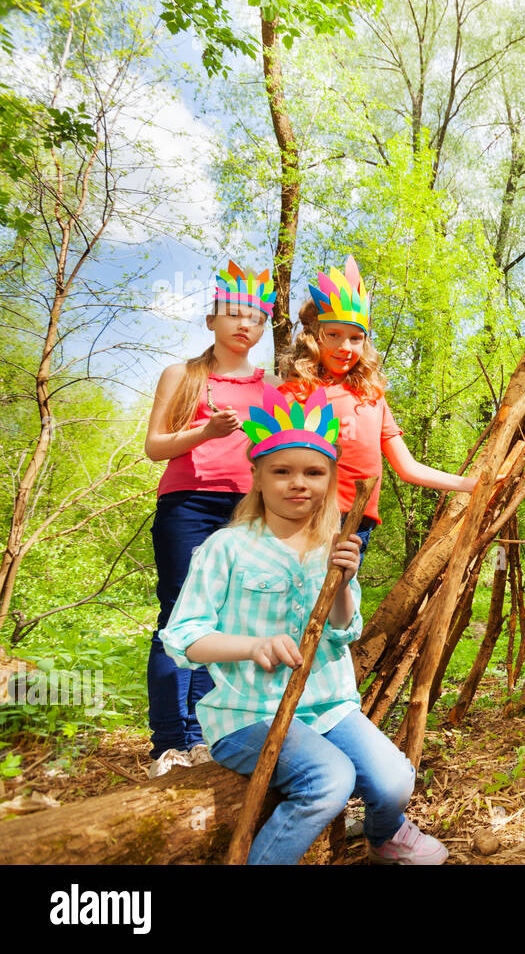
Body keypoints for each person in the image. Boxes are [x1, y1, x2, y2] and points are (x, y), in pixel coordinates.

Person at [160, 384, 447, 865]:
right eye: (282, 472)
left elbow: (341, 633)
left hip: (329, 707)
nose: (299, 483)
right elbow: (183, 639)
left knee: (396, 780)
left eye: (314, 472)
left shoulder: (332, 548)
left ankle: (382, 837)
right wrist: (250, 646)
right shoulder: (225, 549)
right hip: (250, 714)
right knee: (328, 780)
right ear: (257, 478)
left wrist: (341, 584)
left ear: (331, 481)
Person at [142, 261, 279, 777]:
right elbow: (155, 447)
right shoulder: (182, 375)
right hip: (188, 505)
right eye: (235, 314)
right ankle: (167, 745)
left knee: (221, 622)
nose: (246, 325)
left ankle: (204, 739)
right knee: (177, 620)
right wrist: (205, 432)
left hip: (246, 509)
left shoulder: (275, 388)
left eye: (258, 318)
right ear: (211, 321)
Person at [279, 256, 475, 557]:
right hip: (304, 515)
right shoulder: (295, 392)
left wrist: (471, 485)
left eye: (356, 338)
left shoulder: (371, 397)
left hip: (357, 520)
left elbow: (407, 467)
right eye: (333, 335)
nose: (346, 348)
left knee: (337, 593)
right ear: (313, 337)